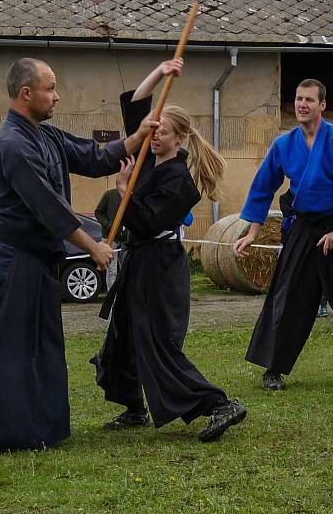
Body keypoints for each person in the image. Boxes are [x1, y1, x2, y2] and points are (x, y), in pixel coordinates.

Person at [0, 58, 157, 455]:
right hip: (13, 262)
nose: (57, 96)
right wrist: (93, 247)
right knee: (8, 350)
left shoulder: (45, 134)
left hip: (37, 262)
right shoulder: (12, 145)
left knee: (37, 348)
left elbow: (91, 156)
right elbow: (48, 207)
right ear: (27, 93)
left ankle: (35, 428)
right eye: (50, 88)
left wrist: (137, 136)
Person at [92, 59, 246, 443]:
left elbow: (146, 222)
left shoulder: (179, 181)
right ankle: (133, 408)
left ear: (179, 139)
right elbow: (136, 105)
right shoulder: (145, 159)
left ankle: (219, 404)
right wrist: (160, 72)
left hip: (159, 266)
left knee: (157, 343)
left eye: (163, 132)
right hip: (138, 262)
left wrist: (124, 188)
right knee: (123, 336)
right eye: (154, 131)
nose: (155, 136)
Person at [233, 78, 333, 391]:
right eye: (298, 99)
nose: (302, 104)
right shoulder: (284, 144)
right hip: (302, 227)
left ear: (322, 105)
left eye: (309, 100)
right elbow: (263, 187)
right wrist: (253, 231)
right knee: (287, 296)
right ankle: (273, 368)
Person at [280, 190, 328, 318]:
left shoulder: (314, 193)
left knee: (320, 276)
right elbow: (288, 213)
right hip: (293, 242)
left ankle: (323, 306)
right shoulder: (285, 198)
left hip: (317, 241)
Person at [94, 187, 128, 290]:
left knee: (126, 268)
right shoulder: (110, 194)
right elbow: (98, 212)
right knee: (112, 270)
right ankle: (111, 295)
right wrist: (108, 225)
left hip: (126, 238)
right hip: (110, 237)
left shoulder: (132, 194)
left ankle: (124, 294)